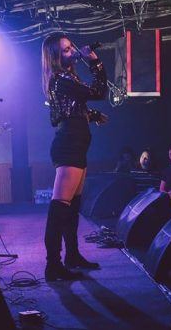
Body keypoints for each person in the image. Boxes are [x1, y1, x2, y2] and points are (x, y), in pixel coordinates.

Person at [42, 33, 108, 281]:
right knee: (60, 207)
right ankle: (53, 265)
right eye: (66, 50)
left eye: (72, 48)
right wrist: (95, 62)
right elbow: (98, 91)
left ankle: (72, 255)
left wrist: (92, 115)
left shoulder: (66, 79)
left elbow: (70, 109)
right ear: (56, 56)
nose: (72, 52)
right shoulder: (62, 79)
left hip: (76, 145)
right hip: (69, 145)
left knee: (72, 207)